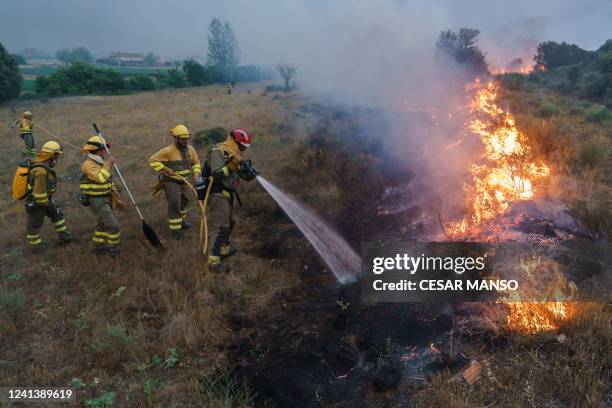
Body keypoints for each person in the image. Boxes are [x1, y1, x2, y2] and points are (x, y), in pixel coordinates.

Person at [204, 128, 257, 272]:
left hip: (227, 193)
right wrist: (232, 165)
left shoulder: (234, 153)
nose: (241, 150)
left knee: (231, 222)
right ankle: (213, 262)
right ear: (235, 142)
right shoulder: (218, 151)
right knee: (221, 226)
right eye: (241, 147)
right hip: (215, 192)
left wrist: (249, 173)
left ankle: (223, 249)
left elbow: (240, 175)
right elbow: (217, 175)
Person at [149, 124, 202, 240]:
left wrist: (196, 175)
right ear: (176, 138)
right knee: (175, 204)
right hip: (171, 182)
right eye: (182, 138)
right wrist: (166, 169)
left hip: (184, 182)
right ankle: (176, 231)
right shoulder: (168, 151)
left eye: (186, 138)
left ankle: (181, 222)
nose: (185, 141)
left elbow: (196, 163)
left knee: (184, 202)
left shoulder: (191, 150)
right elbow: (152, 160)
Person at [24, 141, 78, 253]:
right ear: (51, 155)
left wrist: (50, 204)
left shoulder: (43, 165)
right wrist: (47, 204)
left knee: (57, 216)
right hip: (37, 202)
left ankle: (65, 237)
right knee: (34, 224)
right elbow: (39, 194)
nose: (57, 158)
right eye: (57, 155)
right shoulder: (41, 171)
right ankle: (36, 247)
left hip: (46, 200)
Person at [79, 135, 123, 257]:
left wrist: (114, 190)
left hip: (106, 197)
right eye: (105, 149)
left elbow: (107, 180)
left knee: (102, 225)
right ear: (99, 150)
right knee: (113, 226)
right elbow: (100, 178)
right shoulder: (88, 164)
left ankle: (97, 248)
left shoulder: (100, 162)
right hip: (97, 200)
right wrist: (108, 163)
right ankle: (114, 251)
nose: (106, 152)